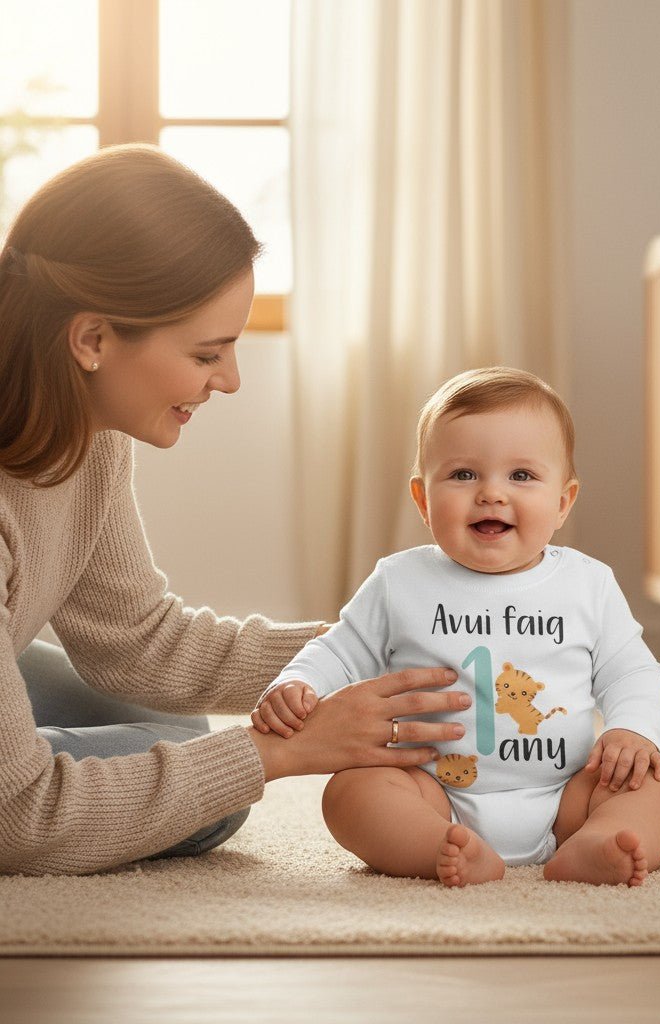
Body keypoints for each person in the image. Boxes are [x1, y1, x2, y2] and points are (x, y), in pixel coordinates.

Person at [0, 144, 465, 876]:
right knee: (211, 782)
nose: (231, 380)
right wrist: (280, 752)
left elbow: (138, 644)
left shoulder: (88, 437)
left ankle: (54, 759)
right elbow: (20, 819)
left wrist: (368, 646)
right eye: (207, 354)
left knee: (181, 733)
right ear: (92, 339)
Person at [253, 367, 660, 886]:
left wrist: (632, 731)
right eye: (463, 475)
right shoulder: (399, 581)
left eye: (521, 476)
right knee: (351, 793)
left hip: (567, 795)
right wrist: (298, 682)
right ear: (423, 500)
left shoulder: (588, 584)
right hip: (432, 790)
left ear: (562, 502)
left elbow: (631, 671)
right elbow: (338, 650)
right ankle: (437, 846)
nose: (491, 494)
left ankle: (597, 841)